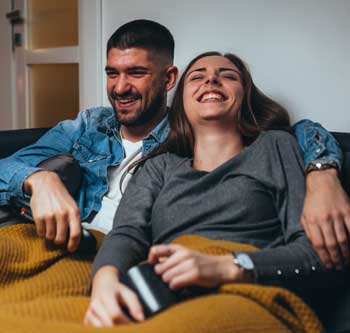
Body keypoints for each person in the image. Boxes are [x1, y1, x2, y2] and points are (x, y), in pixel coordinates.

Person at [0, 20, 348, 268]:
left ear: (169, 79)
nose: (120, 87)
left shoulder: (192, 129)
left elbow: (296, 130)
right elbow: (5, 169)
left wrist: (322, 173)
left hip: (122, 257)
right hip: (57, 241)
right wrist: (41, 180)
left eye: (136, 73)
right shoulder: (88, 125)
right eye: (112, 73)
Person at [84, 51, 345, 327]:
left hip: (245, 293)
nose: (211, 80)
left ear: (245, 95)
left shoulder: (275, 146)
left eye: (227, 76)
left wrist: (226, 266)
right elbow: (126, 234)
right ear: (181, 100)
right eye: (197, 77)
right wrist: (105, 282)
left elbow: (317, 255)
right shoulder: (159, 166)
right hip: (160, 289)